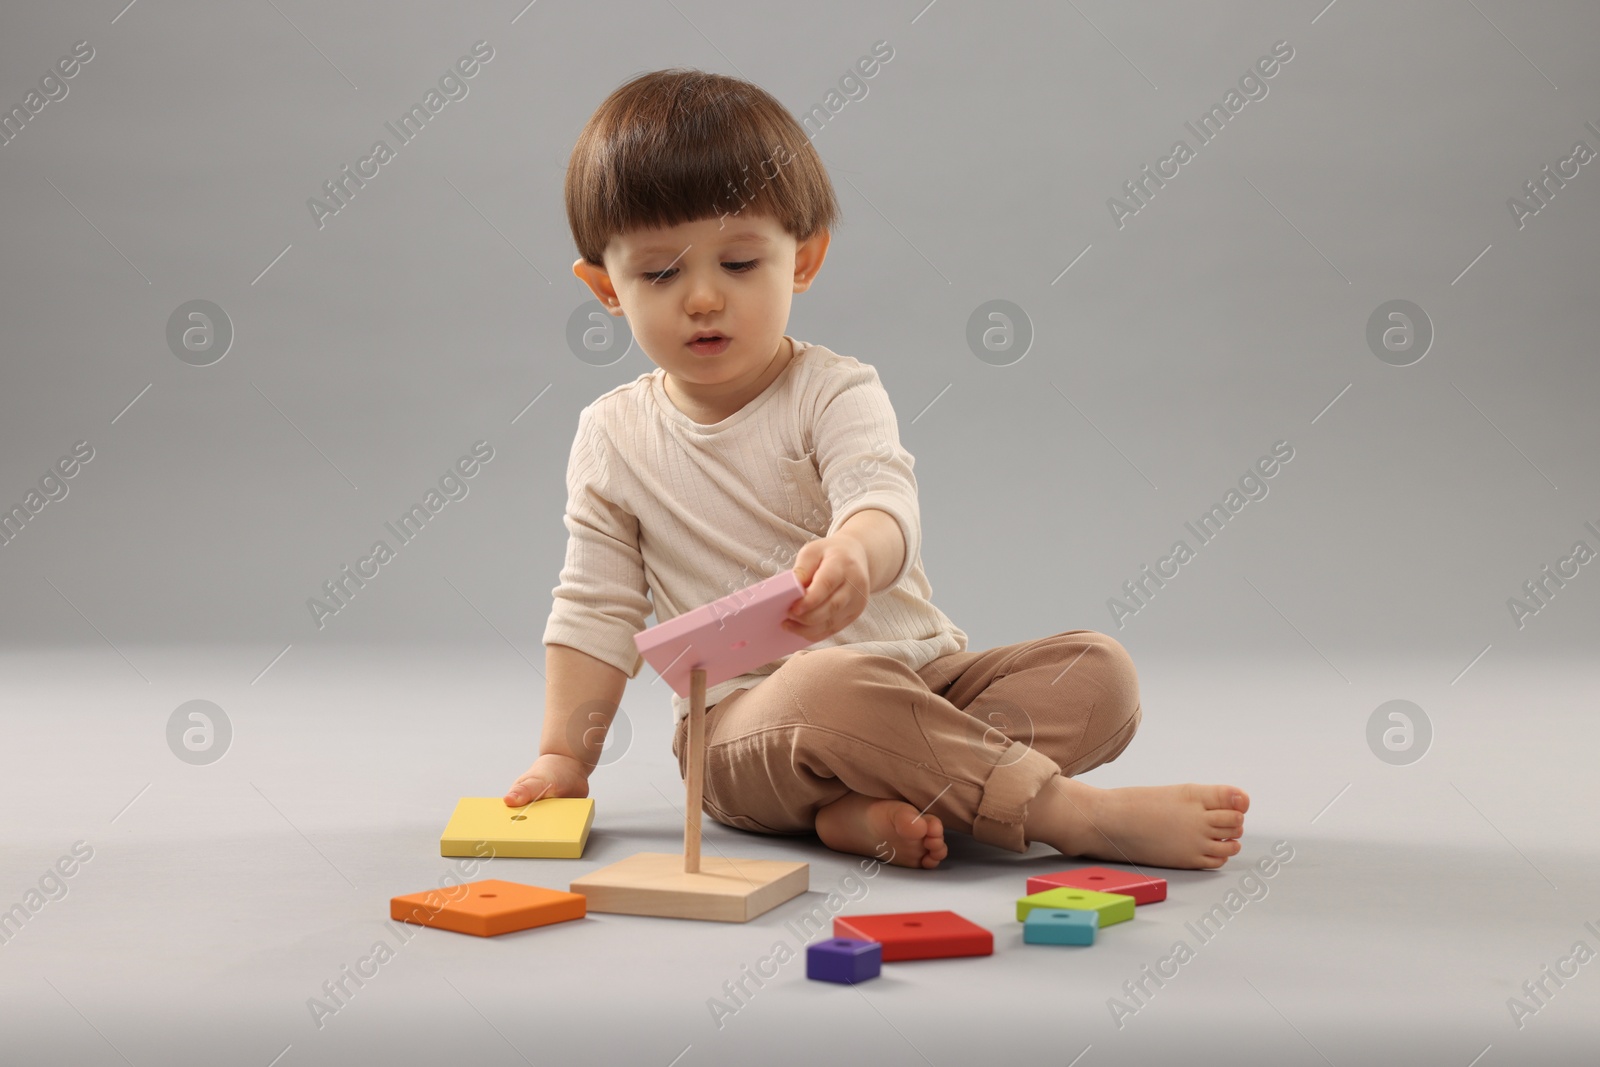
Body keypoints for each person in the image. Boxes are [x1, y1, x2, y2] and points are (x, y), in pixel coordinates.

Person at [503, 68, 1248, 870]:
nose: (704, 299)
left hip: (922, 683)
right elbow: (596, 609)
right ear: (604, 288)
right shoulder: (614, 436)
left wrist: (856, 550)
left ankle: (857, 807)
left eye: (740, 263)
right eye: (659, 273)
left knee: (1099, 673)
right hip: (745, 730)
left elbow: (882, 497)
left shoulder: (835, 390)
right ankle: (1065, 812)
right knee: (826, 685)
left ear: (804, 258)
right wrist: (563, 758)